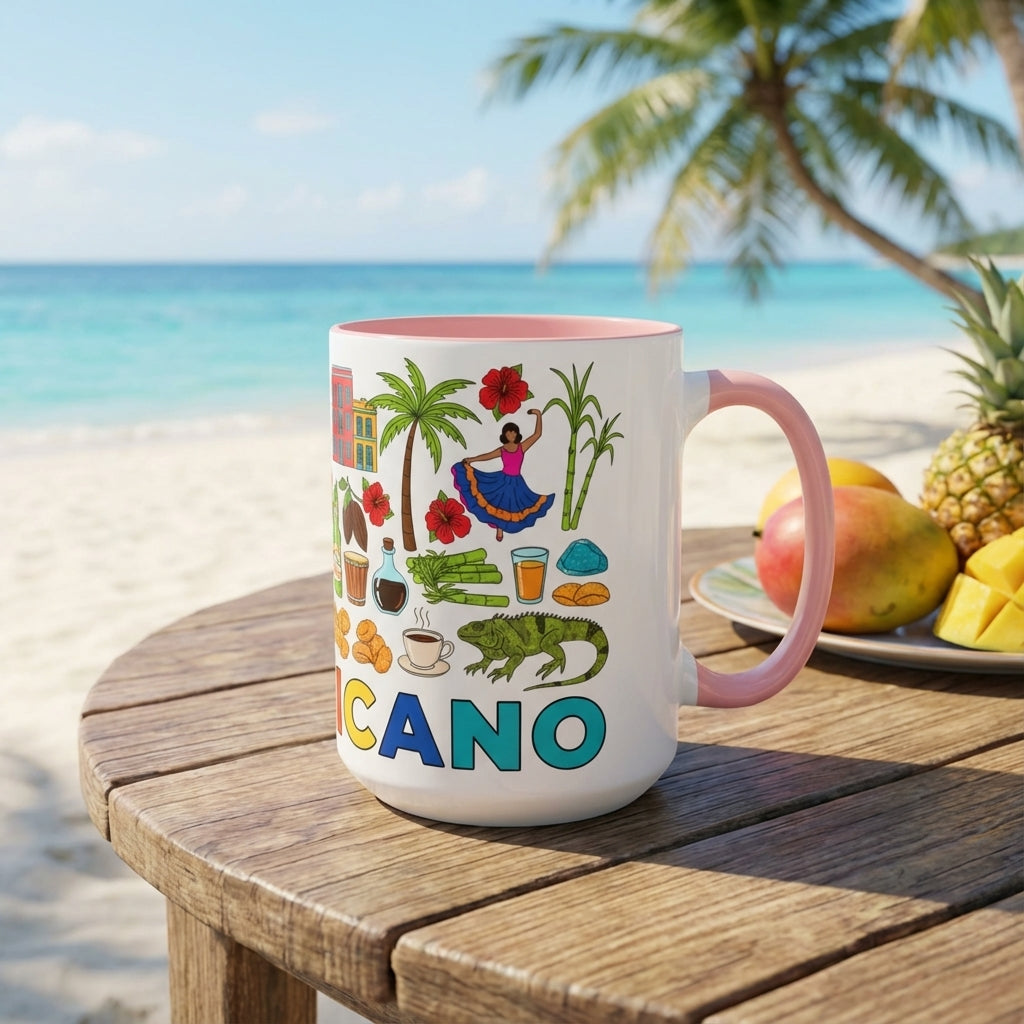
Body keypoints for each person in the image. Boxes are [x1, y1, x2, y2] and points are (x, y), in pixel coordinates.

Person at [452, 408, 553, 541]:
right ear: (504, 435)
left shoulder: (521, 447)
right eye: (509, 433)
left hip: (516, 481)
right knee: (498, 503)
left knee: (514, 505)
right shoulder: (502, 449)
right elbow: (487, 456)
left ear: (517, 435)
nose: (511, 436)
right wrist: (472, 459)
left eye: (513, 433)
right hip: (502, 479)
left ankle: (503, 527)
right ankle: (499, 529)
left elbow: (537, 434)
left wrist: (538, 415)